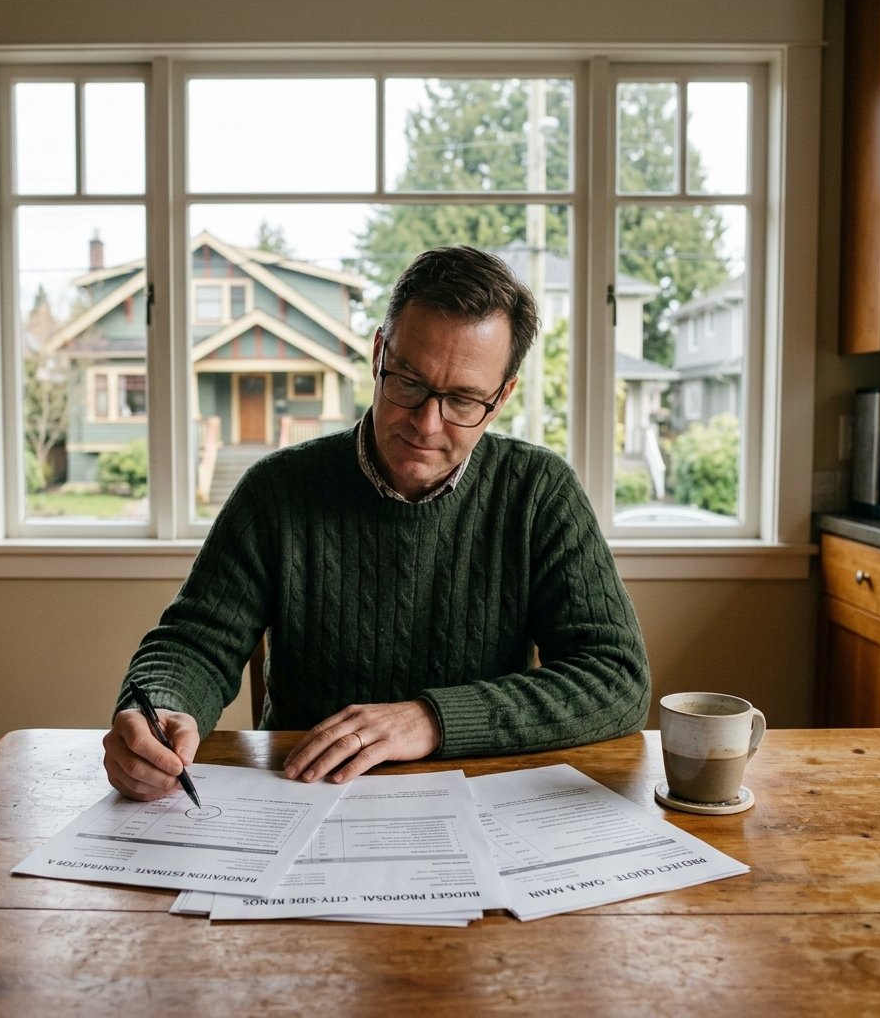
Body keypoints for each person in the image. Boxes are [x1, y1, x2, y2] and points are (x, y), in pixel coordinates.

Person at [103, 245, 650, 800]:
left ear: (502, 396)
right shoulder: (278, 490)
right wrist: (158, 705)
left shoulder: (538, 491)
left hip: (484, 800)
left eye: (462, 400)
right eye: (408, 382)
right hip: (301, 796)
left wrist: (430, 720)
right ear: (378, 353)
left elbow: (617, 678)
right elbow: (195, 642)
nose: (427, 424)